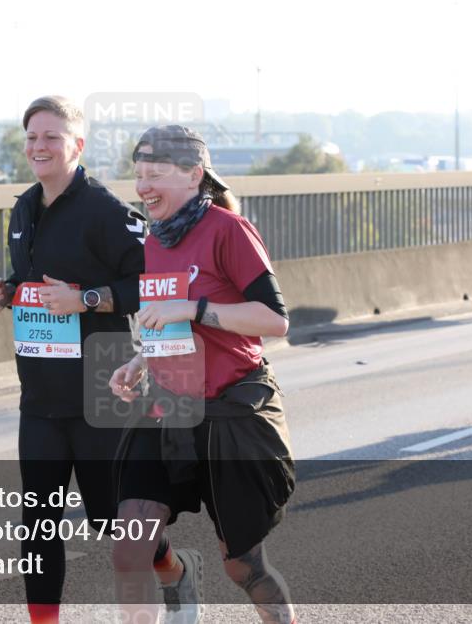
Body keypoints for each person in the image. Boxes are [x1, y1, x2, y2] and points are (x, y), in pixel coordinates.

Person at [0, 96, 163, 623]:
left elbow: (152, 287)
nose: (39, 147)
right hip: (40, 394)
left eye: (51, 137)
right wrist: (8, 290)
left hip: (102, 390)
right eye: (32, 137)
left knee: (113, 524)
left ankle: (173, 565)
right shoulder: (23, 209)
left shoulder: (106, 211)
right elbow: (39, 279)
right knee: (37, 523)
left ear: (77, 145)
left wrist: (86, 299)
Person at [109, 125, 297, 624]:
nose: (143, 186)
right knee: (128, 551)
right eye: (138, 175)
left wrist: (194, 307)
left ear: (194, 175)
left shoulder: (227, 230)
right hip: (169, 405)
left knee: (242, 566)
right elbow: (167, 325)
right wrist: (140, 361)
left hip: (231, 409)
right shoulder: (154, 240)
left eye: (155, 174)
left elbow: (273, 320)